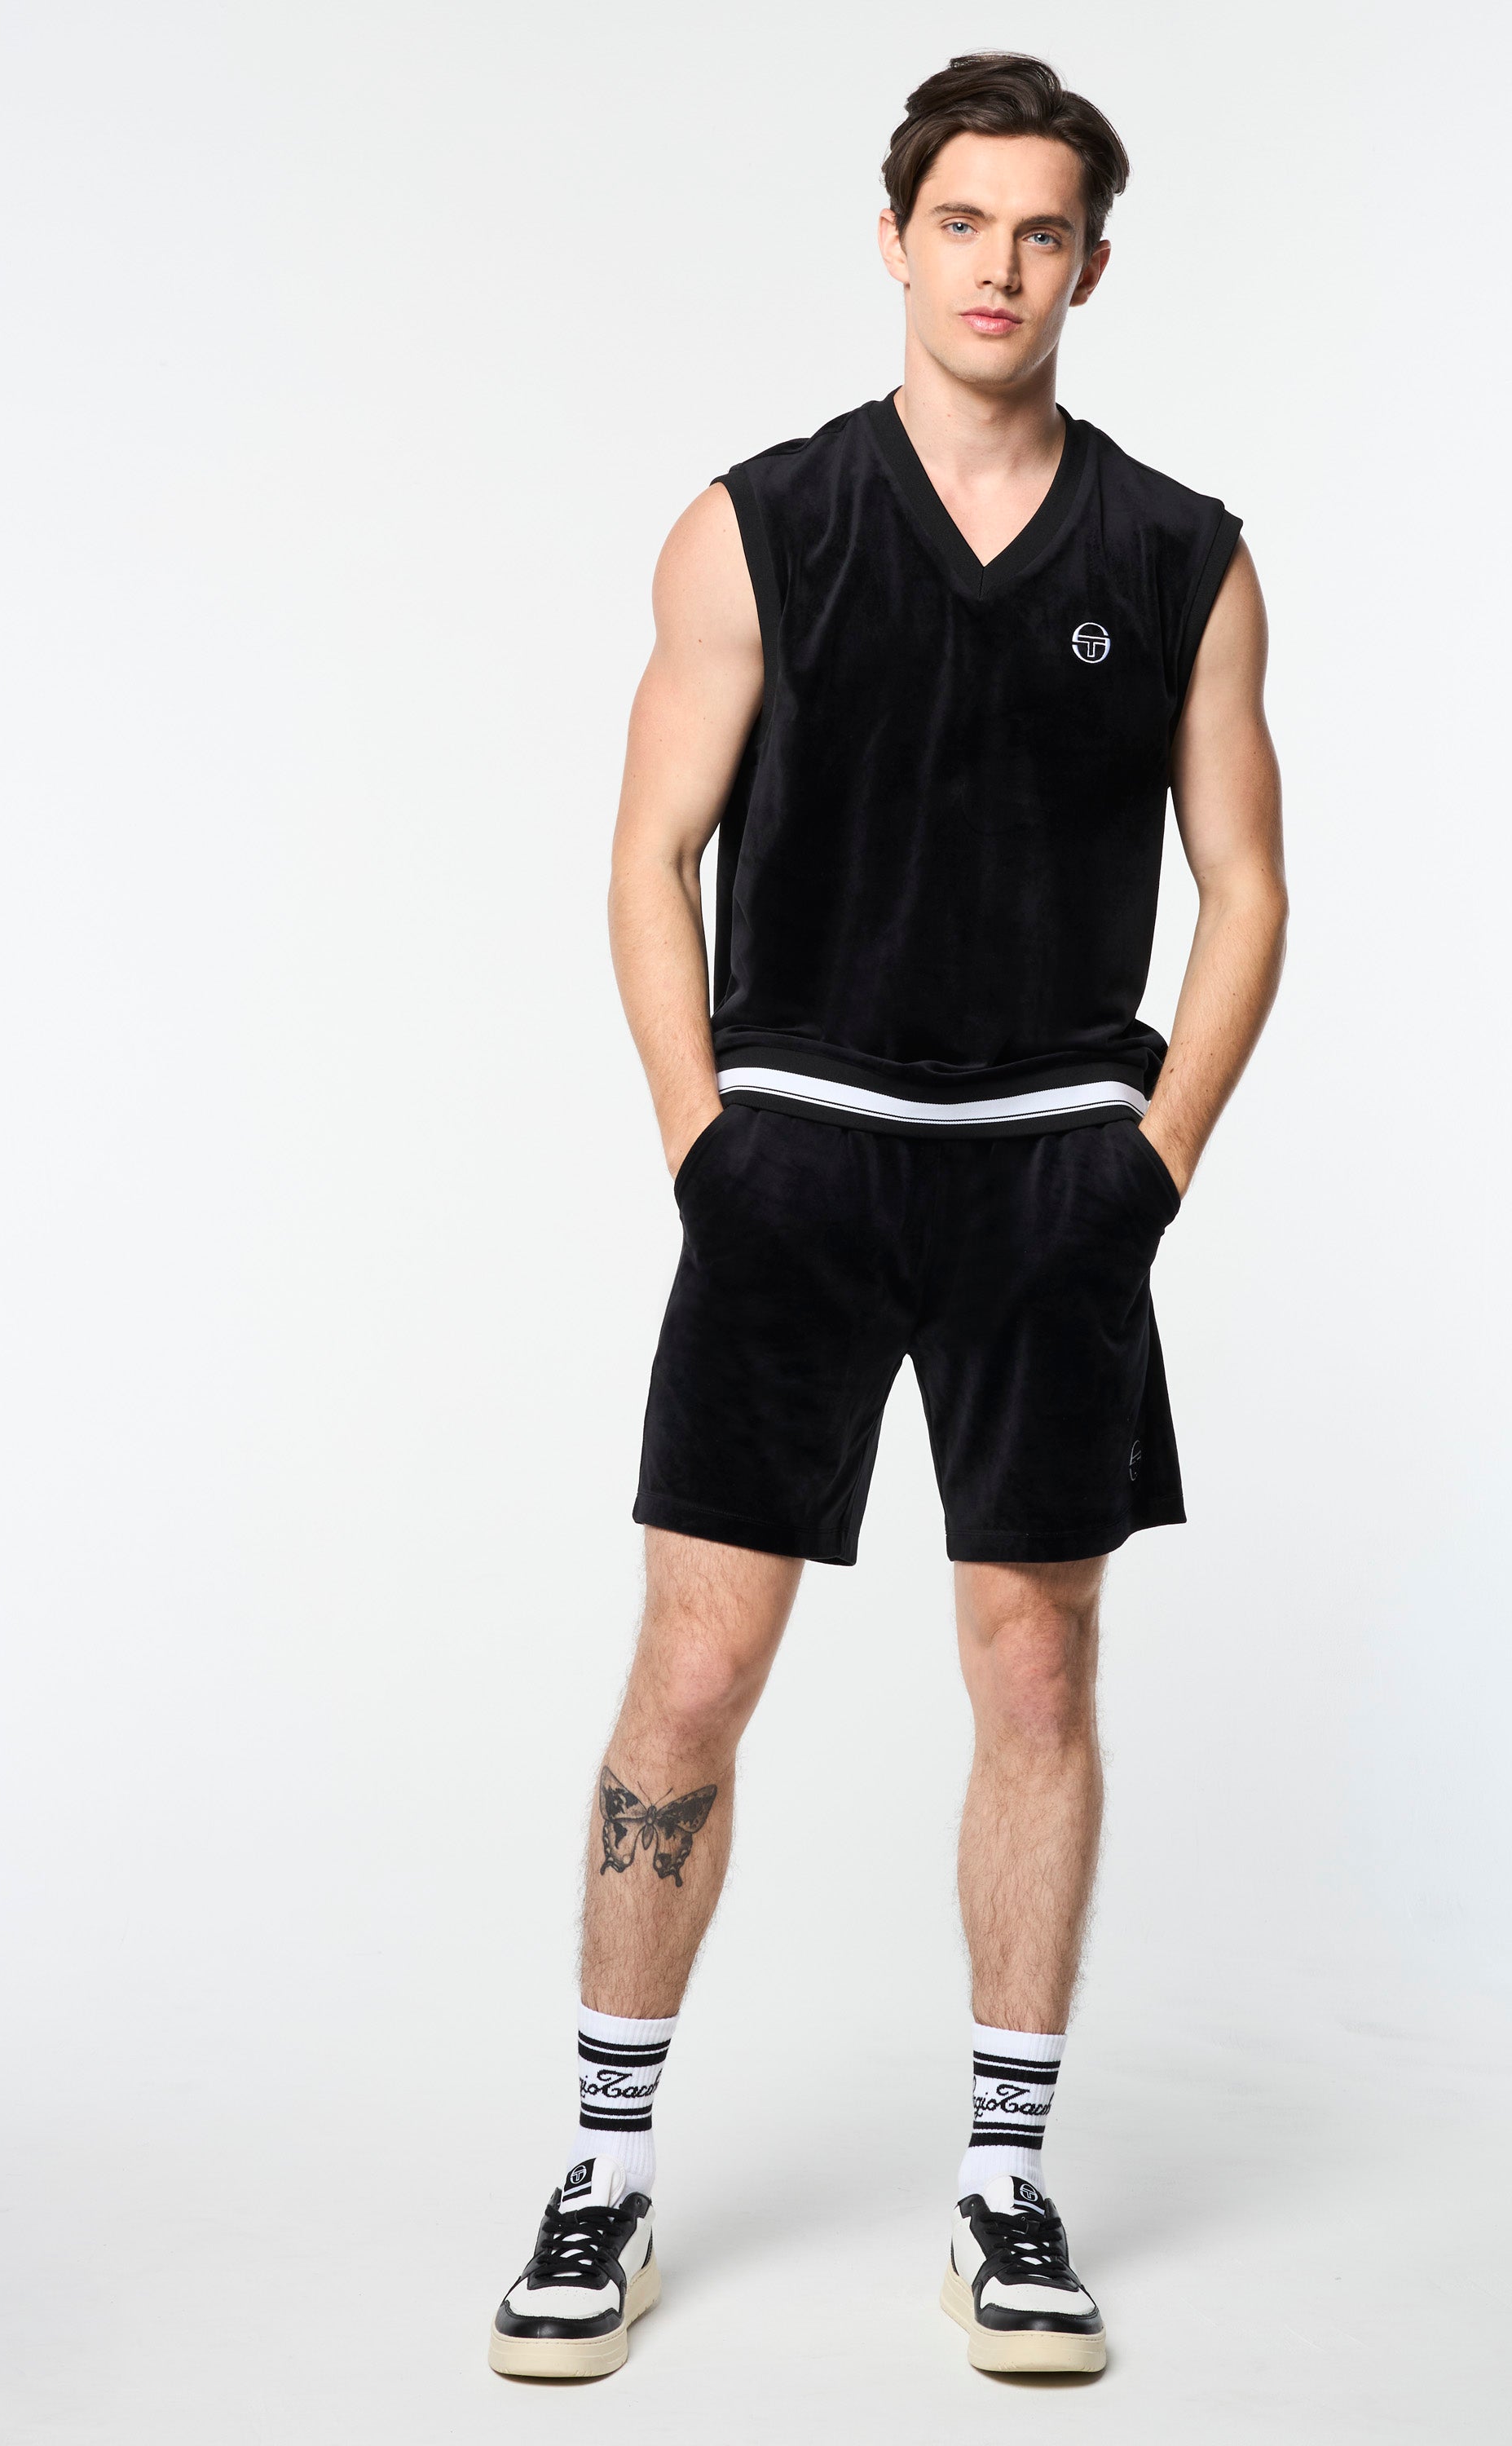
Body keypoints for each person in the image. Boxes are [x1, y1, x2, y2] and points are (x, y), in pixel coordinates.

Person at [489, 51, 1286, 2382]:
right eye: (963, 223)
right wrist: (705, 1142)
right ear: (894, 239)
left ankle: (1005, 2190)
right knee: (695, 1669)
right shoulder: (758, 526)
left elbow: (1245, 887)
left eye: (1042, 233)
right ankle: (603, 2174)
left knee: (1034, 1669)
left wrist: (1149, 1164)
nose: (998, 267)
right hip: (802, 1159)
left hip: (1051, 1173)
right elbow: (647, 855)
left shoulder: (1181, 557)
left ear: (1092, 267)